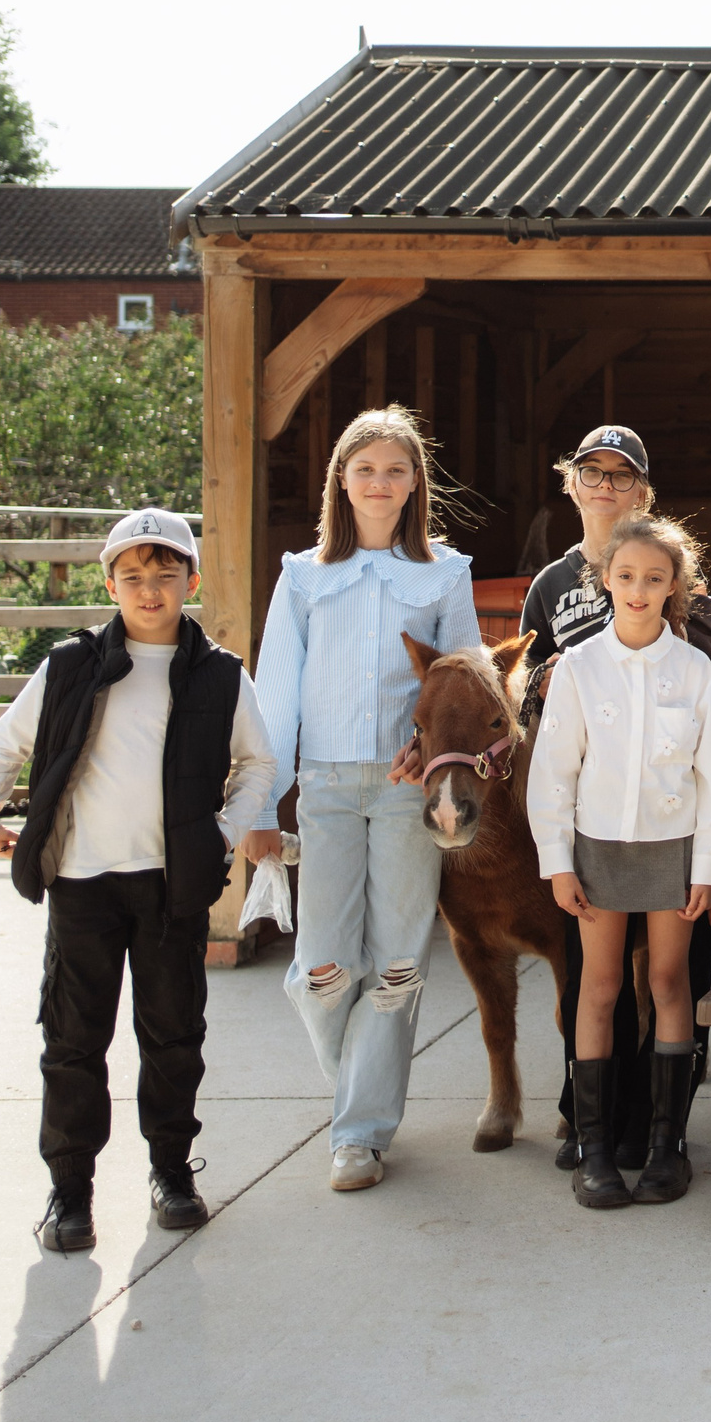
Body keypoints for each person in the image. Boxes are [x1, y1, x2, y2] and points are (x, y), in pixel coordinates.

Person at [0, 509, 276, 1252]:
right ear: (109, 583)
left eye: (166, 575)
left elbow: (259, 762)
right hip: (83, 884)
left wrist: (223, 832)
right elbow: (8, 740)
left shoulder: (218, 674)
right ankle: (69, 1191)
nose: (150, 591)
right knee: (75, 1039)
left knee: (173, 1033)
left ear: (190, 581)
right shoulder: (71, 665)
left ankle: (172, 1170)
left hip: (171, 887)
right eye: (133, 577)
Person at [256, 406, 480, 1192]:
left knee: (395, 962)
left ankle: (359, 1131)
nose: (380, 482)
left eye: (395, 469)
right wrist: (259, 803)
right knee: (322, 964)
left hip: (404, 791)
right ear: (341, 482)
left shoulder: (446, 575)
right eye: (365, 469)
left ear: (414, 482)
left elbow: (463, 681)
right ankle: (360, 1072)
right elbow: (276, 694)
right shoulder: (302, 576)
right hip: (322, 784)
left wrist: (432, 752)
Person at [516, 423, 711, 1175]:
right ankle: (598, 1143)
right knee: (599, 986)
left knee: (670, 982)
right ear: (604, 579)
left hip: (672, 849)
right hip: (598, 846)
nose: (639, 589)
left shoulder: (695, 670)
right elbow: (552, 773)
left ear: (674, 583)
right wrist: (556, 861)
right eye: (626, 577)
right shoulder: (578, 665)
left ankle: (667, 1142)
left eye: (654, 578)